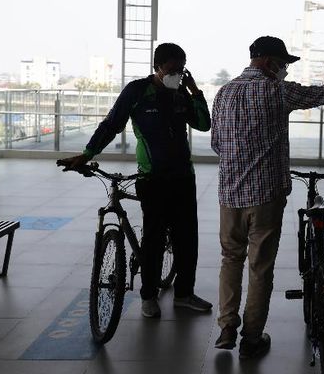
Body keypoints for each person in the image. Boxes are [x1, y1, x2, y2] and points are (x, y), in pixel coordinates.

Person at [211, 36, 324, 358]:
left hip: (229, 195)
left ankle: (227, 326)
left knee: (231, 259)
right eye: (284, 64)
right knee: (260, 267)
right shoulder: (277, 90)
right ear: (270, 62)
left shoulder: (224, 92)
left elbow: (217, 143)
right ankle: (251, 338)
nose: (285, 70)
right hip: (266, 195)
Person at [58, 43, 212, 318]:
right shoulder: (138, 91)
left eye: (182, 69)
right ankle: (148, 296)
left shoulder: (181, 95)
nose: (177, 74)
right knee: (153, 239)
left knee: (187, 239)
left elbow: (203, 123)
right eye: (172, 69)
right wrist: (88, 153)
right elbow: (112, 124)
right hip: (152, 178)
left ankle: (184, 294)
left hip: (183, 178)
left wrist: (195, 91)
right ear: (157, 68)